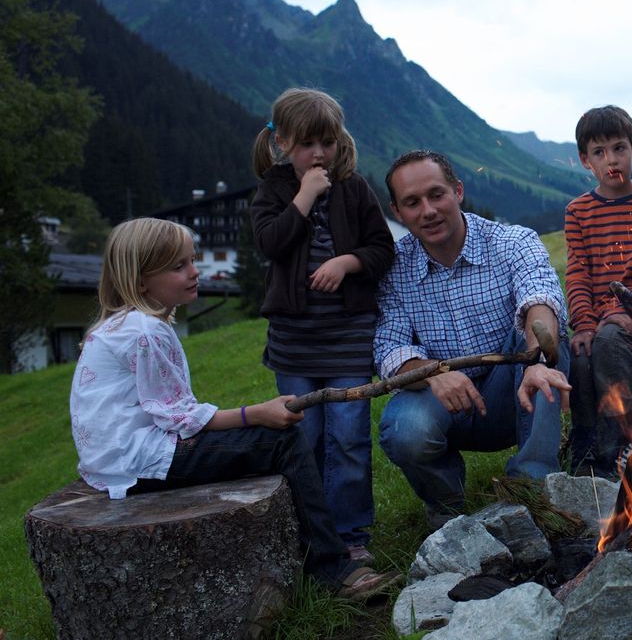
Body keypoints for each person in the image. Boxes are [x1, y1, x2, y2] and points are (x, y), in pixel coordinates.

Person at [69, 218, 399, 600]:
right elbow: (181, 419)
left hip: (112, 462)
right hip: (140, 461)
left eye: (192, 260)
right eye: (179, 266)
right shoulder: (145, 332)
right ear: (141, 280)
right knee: (284, 441)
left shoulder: (120, 325)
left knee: (265, 441)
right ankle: (332, 569)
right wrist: (255, 414)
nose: (195, 272)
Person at [374, 150, 572, 521]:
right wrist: (434, 373)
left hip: (515, 390)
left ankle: (531, 492)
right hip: (444, 400)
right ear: (398, 212)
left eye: (437, 194)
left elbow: (540, 298)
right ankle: (449, 513)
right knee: (404, 431)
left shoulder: (512, 241)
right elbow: (389, 346)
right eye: (412, 203)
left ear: (458, 191)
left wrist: (536, 362)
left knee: (547, 342)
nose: (428, 210)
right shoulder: (393, 269)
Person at [250, 88, 394, 563]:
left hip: (348, 339)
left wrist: (348, 262)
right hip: (295, 344)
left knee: (349, 436)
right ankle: (307, 535)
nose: (319, 154)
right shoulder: (273, 190)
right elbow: (270, 243)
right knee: (303, 437)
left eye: (327, 143)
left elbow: (382, 249)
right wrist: (304, 197)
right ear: (282, 142)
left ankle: (350, 535)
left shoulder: (354, 188)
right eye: (308, 143)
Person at [565, 105, 632, 475]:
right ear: (585, 160)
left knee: (610, 341)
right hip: (596, 318)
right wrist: (581, 323)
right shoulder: (578, 212)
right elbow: (578, 272)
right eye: (599, 152)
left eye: (619, 148)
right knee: (578, 357)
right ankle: (586, 443)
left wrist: (624, 309)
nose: (611, 160)